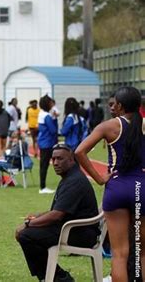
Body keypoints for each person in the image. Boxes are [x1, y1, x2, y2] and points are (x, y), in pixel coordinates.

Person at [75, 86, 145, 281]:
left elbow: (79, 152)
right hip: (142, 188)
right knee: (143, 253)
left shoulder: (109, 126)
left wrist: (99, 179)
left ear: (120, 106)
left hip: (117, 187)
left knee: (119, 254)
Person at [16, 144, 100, 281]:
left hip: (81, 234)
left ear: (72, 159)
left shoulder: (74, 181)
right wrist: (39, 216)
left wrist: (28, 223)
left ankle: (58, 278)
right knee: (28, 234)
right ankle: (53, 276)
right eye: (53, 159)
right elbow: (58, 211)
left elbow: (56, 215)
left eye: (60, 159)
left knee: (26, 235)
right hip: (71, 228)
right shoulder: (70, 177)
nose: (55, 163)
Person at [37, 95, 57, 194]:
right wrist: (54, 118)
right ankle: (42, 187)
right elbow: (53, 130)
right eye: (50, 103)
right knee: (45, 165)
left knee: (43, 165)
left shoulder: (41, 114)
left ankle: (42, 186)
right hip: (47, 143)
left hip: (43, 141)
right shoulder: (47, 116)